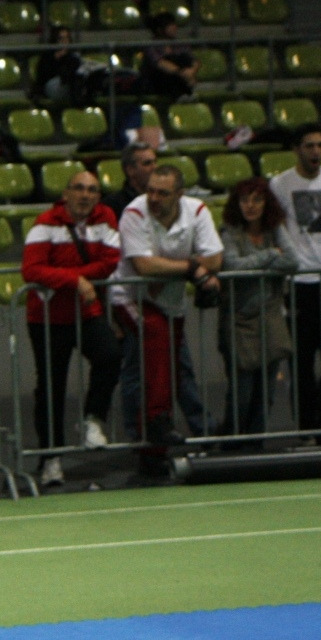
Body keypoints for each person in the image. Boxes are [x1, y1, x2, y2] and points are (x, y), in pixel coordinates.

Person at [110, 164, 221, 472]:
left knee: (166, 366)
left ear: (179, 194)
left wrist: (172, 270)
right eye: (151, 191)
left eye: (163, 193)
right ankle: (155, 424)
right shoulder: (134, 213)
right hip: (131, 297)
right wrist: (192, 269)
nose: (154, 198)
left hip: (171, 301)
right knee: (156, 345)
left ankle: (153, 449)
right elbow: (144, 267)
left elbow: (214, 259)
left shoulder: (197, 210)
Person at [23, 172, 122, 487]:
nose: (85, 195)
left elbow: (110, 261)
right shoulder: (45, 224)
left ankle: (93, 419)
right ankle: (50, 459)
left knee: (110, 356)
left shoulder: (106, 219)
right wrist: (75, 281)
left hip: (87, 313)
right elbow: (31, 270)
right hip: (47, 318)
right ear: (65, 193)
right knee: (50, 389)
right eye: (79, 188)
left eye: (92, 190)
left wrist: (73, 277)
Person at [269, 122, 321, 435]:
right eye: (309, 146)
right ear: (296, 150)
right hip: (301, 283)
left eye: (320, 145)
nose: (316, 151)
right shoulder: (280, 184)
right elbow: (277, 228)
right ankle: (308, 429)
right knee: (302, 362)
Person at [217, 178, 296, 441]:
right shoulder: (230, 232)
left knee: (267, 390)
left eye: (257, 200)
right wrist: (270, 255)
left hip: (271, 315)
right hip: (239, 318)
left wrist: (258, 263)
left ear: (266, 203)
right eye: (244, 200)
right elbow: (233, 267)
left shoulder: (275, 229)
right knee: (242, 390)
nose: (250, 206)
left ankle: (256, 442)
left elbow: (293, 261)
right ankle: (232, 442)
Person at [138, 12, 198, 101]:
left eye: (174, 24)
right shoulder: (151, 46)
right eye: (170, 25)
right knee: (169, 67)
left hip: (180, 78)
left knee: (184, 59)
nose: (175, 27)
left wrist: (191, 71)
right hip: (158, 81)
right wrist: (183, 74)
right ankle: (180, 95)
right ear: (159, 29)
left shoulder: (179, 44)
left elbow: (194, 61)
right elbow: (160, 63)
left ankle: (185, 94)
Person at [32, 25, 85, 109]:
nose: (64, 41)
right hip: (52, 85)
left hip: (69, 84)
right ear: (55, 40)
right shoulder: (47, 56)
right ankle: (79, 104)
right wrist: (56, 59)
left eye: (67, 38)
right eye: (61, 38)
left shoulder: (73, 57)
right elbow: (42, 77)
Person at [107, 142, 157, 217]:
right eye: (147, 163)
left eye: (155, 162)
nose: (155, 167)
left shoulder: (164, 198)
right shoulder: (113, 205)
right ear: (130, 170)